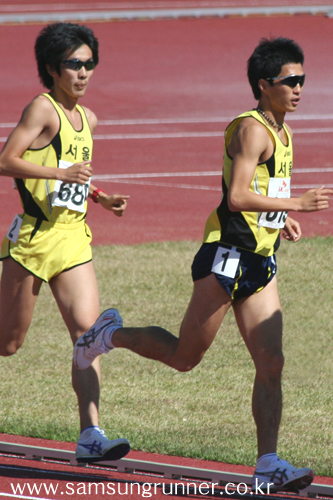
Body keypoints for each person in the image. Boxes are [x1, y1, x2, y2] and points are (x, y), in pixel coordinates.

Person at [73, 37, 332, 491]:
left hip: (260, 261)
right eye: (290, 81)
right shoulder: (251, 129)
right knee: (184, 357)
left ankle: (268, 463)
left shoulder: (284, 131)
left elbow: (259, 194)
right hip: (227, 259)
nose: (299, 88)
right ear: (263, 84)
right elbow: (235, 196)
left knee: (272, 362)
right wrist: (300, 203)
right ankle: (106, 334)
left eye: (302, 79)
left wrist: (282, 217)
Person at [0, 22, 131, 463]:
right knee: (8, 343)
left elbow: (74, 172)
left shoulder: (88, 119)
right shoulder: (42, 110)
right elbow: (7, 161)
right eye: (75, 64)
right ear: (53, 69)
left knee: (88, 337)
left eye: (89, 64)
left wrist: (100, 197)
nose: (84, 72)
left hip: (73, 238)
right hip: (35, 241)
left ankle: (91, 434)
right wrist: (60, 175)